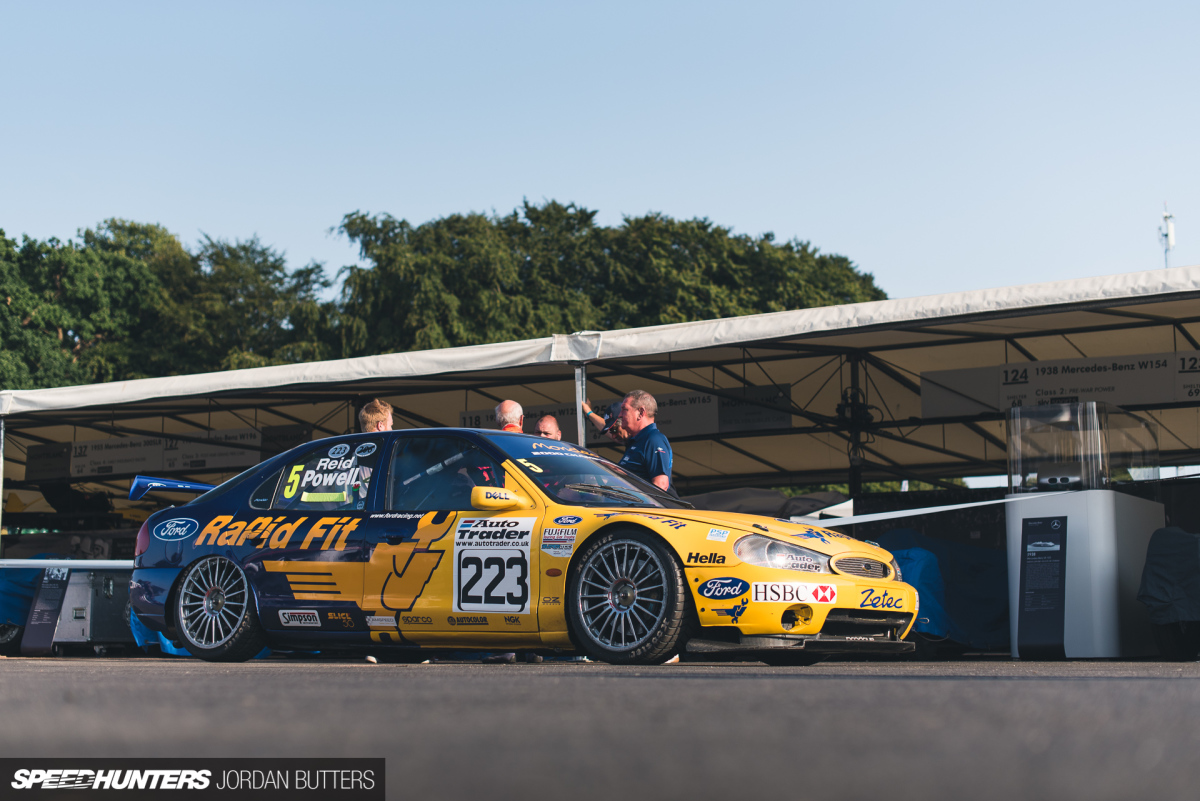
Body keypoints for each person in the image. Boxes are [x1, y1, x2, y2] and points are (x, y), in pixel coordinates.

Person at [616, 390, 673, 492]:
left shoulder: (654, 440)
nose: (620, 415)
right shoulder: (637, 441)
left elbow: (661, 484)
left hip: (645, 507)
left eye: (624, 409)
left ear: (641, 412)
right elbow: (611, 432)